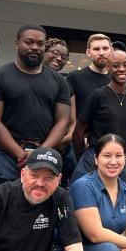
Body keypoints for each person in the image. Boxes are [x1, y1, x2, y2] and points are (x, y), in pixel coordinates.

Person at [0, 25, 71, 187]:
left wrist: (40, 153)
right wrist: (19, 153)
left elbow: (63, 122)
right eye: (29, 42)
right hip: (3, 157)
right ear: (17, 43)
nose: (35, 47)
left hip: (44, 155)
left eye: (40, 44)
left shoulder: (59, 81)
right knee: (1, 207)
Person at [71, 50, 126, 185]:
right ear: (108, 68)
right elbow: (78, 132)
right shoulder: (97, 96)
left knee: (115, 203)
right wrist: (83, 157)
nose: (122, 69)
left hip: (120, 164)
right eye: (116, 66)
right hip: (95, 160)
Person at [67, 34, 112, 156]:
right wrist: (81, 140)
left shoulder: (117, 80)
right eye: (96, 49)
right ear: (88, 52)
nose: (101, 52)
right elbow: (69, 115)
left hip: (112, 146)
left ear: (111, 50)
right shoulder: (75, 77)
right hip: (84, 145)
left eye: (105, 48)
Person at [44, 38, 76, 178]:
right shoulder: (29, 77)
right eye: (55, 53)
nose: (59, 58)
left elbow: (73, 121)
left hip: (60, 150)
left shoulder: (67, 86)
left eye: (64, 57)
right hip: (33, 146)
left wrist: (63, 140)